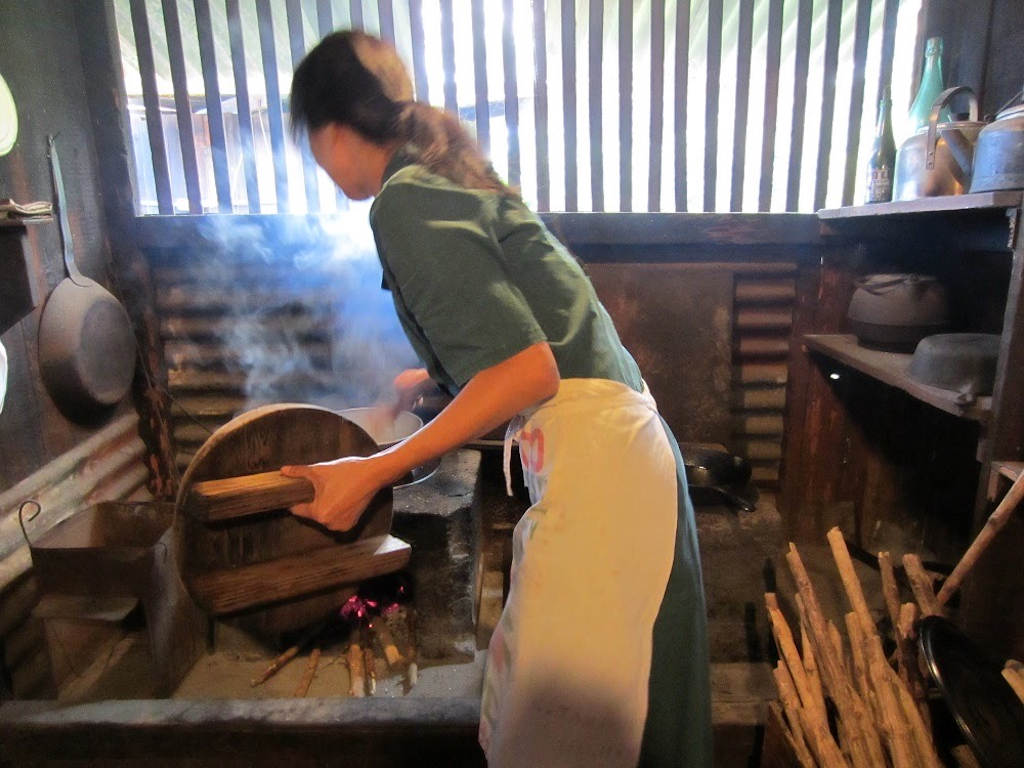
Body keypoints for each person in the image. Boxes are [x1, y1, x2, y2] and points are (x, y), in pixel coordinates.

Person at [283, 30, 712, 768]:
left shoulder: (403, 200)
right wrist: (441, 377)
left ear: (330, 129)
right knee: (597, 722)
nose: (320, 164)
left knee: (563, 734)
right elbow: (532, 337)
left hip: (602, 479)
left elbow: (527, 371)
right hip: (615, 457)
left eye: (311, 144)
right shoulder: (446, 175)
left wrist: (375, 469)